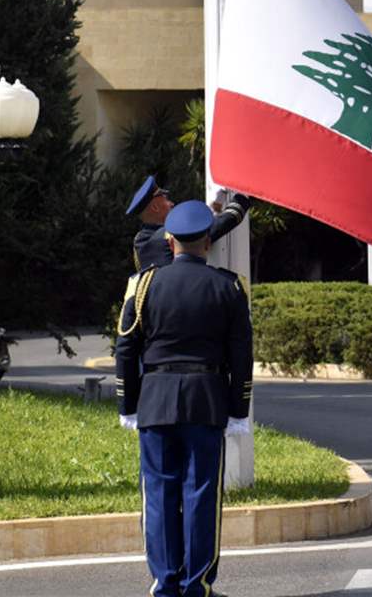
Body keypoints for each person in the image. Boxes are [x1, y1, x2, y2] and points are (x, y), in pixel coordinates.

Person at [116, 200, 253, 597]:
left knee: (159, 495)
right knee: (201, 495)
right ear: (207, 241)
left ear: (170, 240)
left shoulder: (144, 285)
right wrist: (237, 408)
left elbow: (125, 349)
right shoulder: (228, 286)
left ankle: (165, 584)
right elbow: (241, 354)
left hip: (156, 401)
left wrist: (128, 404)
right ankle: (197, 587)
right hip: (206, 401)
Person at [126, 175, 250, 270]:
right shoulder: (160, 238)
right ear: (155, 208)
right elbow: (222, 223)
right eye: (166, 199)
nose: (172, 204)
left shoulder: (142, 240)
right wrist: (243, 195)